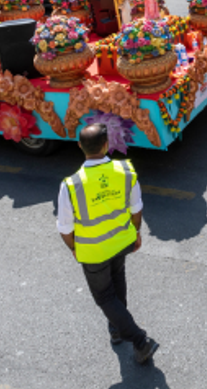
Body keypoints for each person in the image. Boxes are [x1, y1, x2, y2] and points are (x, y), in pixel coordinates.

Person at [57, 124, 158, 364]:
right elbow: (136, 208)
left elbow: (65, 228)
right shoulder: (126, 171)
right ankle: (116, 330)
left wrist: (74, 248)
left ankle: (140, 341)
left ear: (80, 146)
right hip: (122, 241)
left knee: (104, 296)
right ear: (107, 145)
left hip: (93, 251)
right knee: (118, 280)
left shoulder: (71, 185)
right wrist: (136, 232)